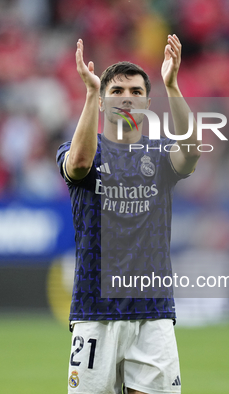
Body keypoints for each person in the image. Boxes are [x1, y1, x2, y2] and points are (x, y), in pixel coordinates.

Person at [56, 35, 199, 394]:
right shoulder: (80, 150)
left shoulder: (160, 156)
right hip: (95, 310)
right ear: (104, 101)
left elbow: (192, 151)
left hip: (153, 310)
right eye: (117, 90)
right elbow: (78, 164)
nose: (127, 97)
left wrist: (172, 85)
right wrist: (89, 94)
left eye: (136, 92)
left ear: (148, 103)